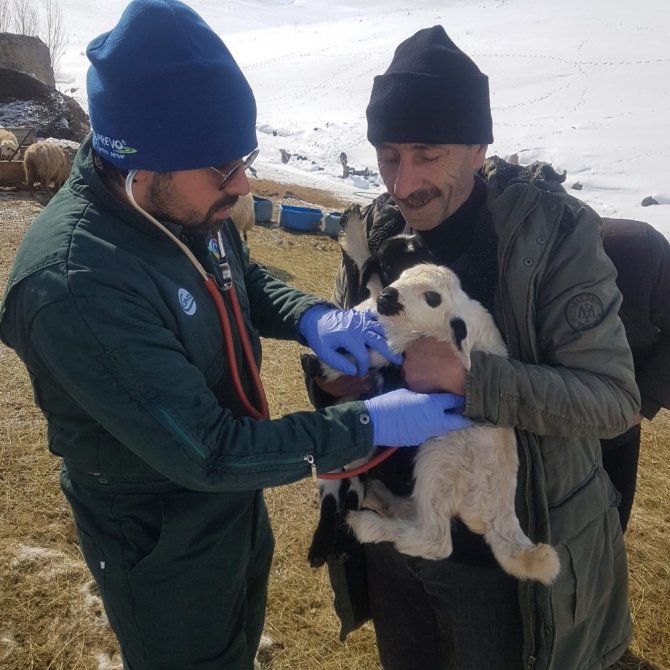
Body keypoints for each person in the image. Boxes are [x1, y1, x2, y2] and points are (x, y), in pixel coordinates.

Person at [0, 4, 473, 669]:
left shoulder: (179, 197)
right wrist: (368, 426)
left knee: (237, 639)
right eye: (224, 169)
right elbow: (212, 453)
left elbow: (238, 273)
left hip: (227, 512)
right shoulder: (77, 288)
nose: (243, 185)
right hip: (162, 537)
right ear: (142, 166)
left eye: (243, 160)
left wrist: (313, 316)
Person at [307, 25, 640, 670]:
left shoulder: (552, 240)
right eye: (388, 156)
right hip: (392, 534)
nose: (403, 183)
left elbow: (612, 402)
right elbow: (363, 355)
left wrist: (470, 379)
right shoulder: (375, 230)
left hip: (491, 564)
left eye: (426, 154)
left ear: (478, 147)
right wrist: (335, 381)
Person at [600, 217, 670, 532]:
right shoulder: (493, 247)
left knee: (607, 535)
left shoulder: (636, 246)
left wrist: (641, 403)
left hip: (613, 434)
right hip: (518, 441)